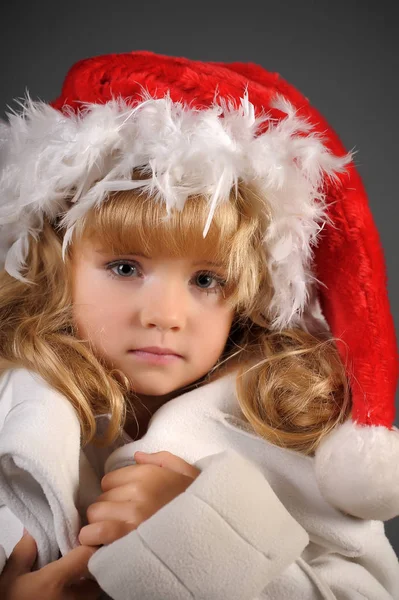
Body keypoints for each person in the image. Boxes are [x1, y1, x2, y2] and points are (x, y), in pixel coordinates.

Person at [0, 50, 398, 599]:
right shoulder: (13, 409)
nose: (164, 315)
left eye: (207, 281)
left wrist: (201, 529)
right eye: (124, 267)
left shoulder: (287, 431)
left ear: (249, 296)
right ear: (55, 264)